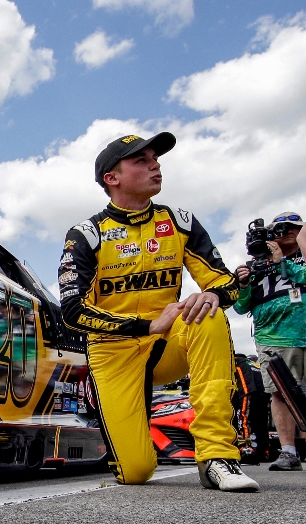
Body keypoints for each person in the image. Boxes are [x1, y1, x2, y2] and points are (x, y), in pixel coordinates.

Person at [58, 132, 259, 491]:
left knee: (208, 314)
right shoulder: (86, 234)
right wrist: (147, 324)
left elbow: (226, 282)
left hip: (169, 344)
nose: (156, 164)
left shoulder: (179, 221)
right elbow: (73, 312)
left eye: (156, 158)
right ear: (112, 178)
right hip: (113, 353)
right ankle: (138, 437)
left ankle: (217, 455)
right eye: (141, 160)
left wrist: (213, 294)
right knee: (135, 472)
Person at [233, 212, 306, 471]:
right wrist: (242, 284)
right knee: (280, 392)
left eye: (291, 228)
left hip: (302, 329)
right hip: (273, 337)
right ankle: (288, 452)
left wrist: (282, 261)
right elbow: (241, 308)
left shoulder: (301, 258)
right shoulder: (255, 265)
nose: (284, 233)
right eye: (278, 229)